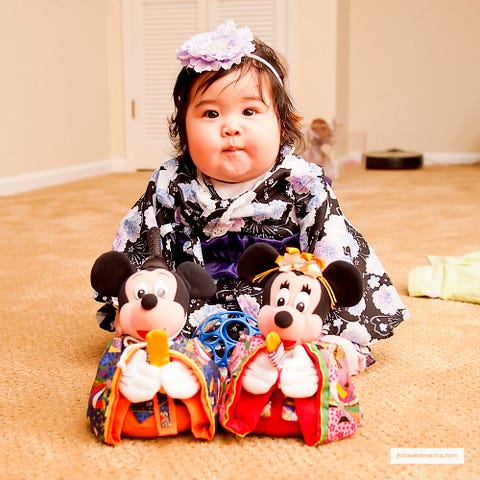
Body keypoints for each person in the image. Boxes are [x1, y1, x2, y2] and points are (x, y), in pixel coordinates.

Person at [96, 20, 408, 365]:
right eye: (211, 113)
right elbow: (145, 241)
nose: (231, 127)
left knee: (311, 326)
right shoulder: (172, 182)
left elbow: (330, 242)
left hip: (282, 300)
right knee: (158, 324)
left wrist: (325, 306)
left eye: (250, 111)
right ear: (183, 127)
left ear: (282, 123)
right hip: (196, 296)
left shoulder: (302, 181)